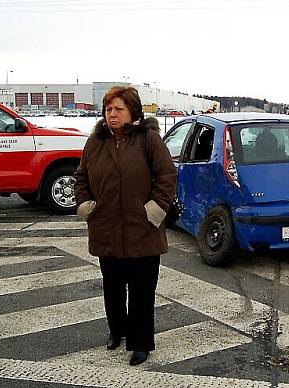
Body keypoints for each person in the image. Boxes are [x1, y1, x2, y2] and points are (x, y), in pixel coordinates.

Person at [74, 86, 177, 366]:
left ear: (133, 111)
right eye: (108, 109)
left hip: (142, 228)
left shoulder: (149, 139)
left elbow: (167, 176)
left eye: (118, 109)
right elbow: (81, 177)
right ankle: (116, 331)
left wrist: (154, 210)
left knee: (142, 290)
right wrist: (85, 205)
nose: (112, 114)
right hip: (106, 228)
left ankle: (141, 343)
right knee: (113, 288)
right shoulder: (96, 141)